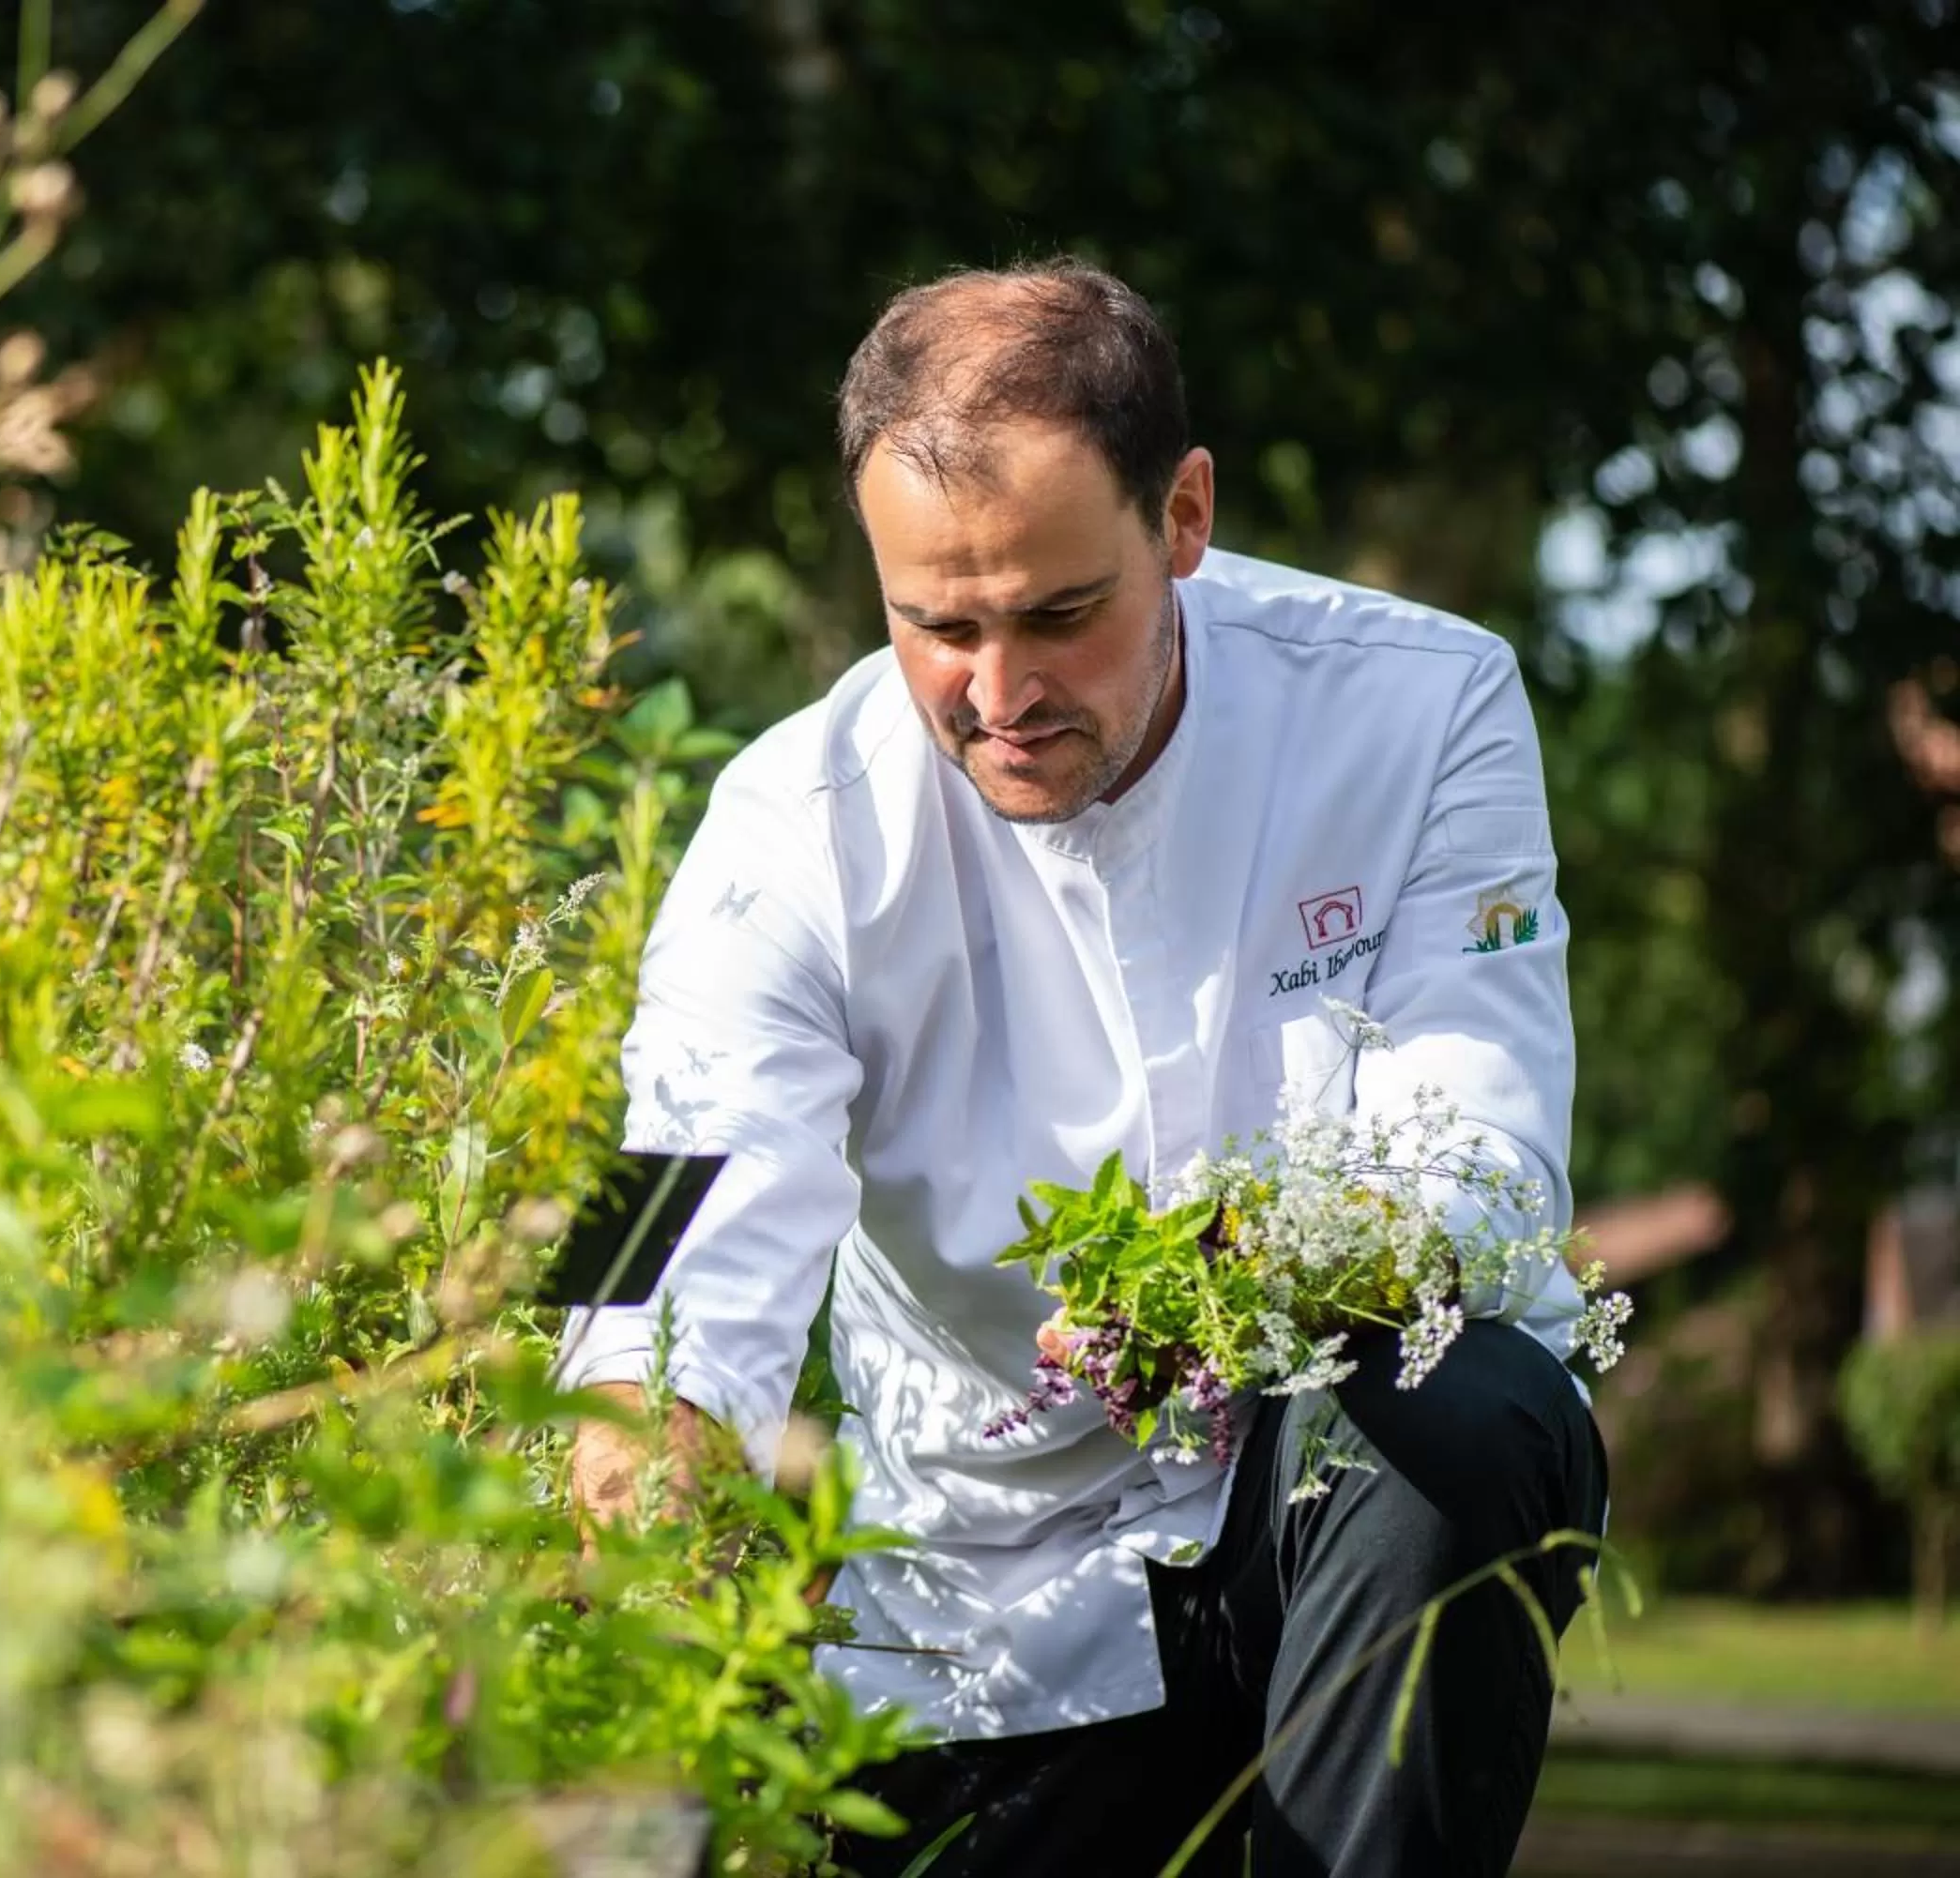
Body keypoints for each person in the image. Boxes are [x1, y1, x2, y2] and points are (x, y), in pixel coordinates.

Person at [557, 261, 1610, 1877]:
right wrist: (638, 1440)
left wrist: (1238, 1267)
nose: (999, 696)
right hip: (989, 1587)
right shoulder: (783, 829)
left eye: (1058, 614)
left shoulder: (1426, 705)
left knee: (1473, 1404)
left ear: (1182, 515)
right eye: (936, 625)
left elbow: (1485, 1165)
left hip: (1333, 1499)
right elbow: (666, 1196)